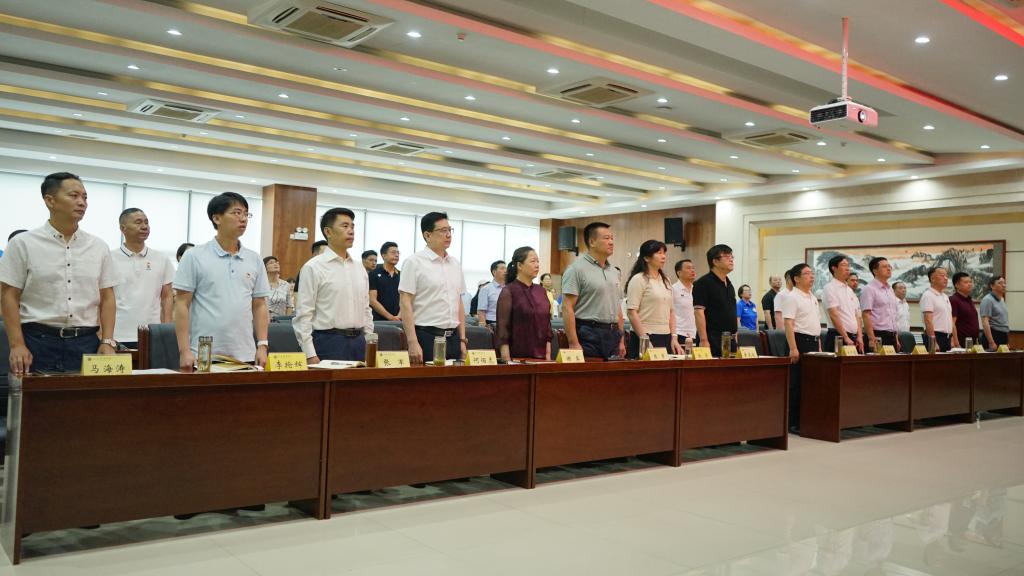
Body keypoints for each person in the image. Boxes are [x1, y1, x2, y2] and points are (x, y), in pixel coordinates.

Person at [0, 172, 119, 374]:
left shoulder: (98, 247)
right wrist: (16, 344)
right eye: (74, 196)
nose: (82, 202)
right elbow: (8, 295)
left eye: (85, 197)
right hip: (37, 341)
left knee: (88, 395)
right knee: (37, 396)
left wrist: (107, 341)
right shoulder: (23, 243)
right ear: (50, 201)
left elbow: (107, 297)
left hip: (86, 342)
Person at [173, 192, 270, 370]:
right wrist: (184, 350)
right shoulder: (194, 256)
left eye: (246, 214)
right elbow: (181, 305)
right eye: (236, 213)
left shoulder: (254, 259)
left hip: (245, 353)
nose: (243, 219)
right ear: (217, 218)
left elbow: (259, 305)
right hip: (204, 353)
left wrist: (262, 345)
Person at [293, 208, 374, 363]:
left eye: (352, 226)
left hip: (359, 342)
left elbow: (366, 309)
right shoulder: (313, 267)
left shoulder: (359, 267)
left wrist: (369, 341)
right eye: (345, 226)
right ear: (328, 232)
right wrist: (310, 354)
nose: (351, 231)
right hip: (328, 341)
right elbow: (304, 314)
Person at [399, 212, 467, 364]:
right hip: (427, 337)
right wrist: (412, 342)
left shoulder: (455, 264)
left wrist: (462, 339)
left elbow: (459, 302)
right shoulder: (414, 262)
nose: (448, 235)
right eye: (443, 230)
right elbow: (405, 302)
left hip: (453, 338)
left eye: (450, 230)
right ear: (427, 235)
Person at [561, 222, 625, 359]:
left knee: (614, 373)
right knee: (591, 372)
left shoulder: (614, 272)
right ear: (592, 242)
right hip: (588, 333)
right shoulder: (576, 269)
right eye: (606, 238)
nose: (611, 242)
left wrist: (621, 340)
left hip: (613, 334)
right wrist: (573, 342)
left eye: (612, 238)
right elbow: (567, 307)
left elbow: (618, 307)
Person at [112, 208, 174, 347]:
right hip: (118, 334)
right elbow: (103, 298)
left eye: (146, 222)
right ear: (123, 228)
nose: (144, 226)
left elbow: (167, 296)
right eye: (138, 222)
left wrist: (167, 330)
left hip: (153, 333)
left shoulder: (161, 258)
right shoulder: (110, 258)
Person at [625, 240, 683, 358]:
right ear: (646, 258)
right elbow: (631, 312)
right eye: (659, 253)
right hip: (645, 335)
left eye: (664, 253)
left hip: (665, 336)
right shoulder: (639, 279)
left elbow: (671, 311)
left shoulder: (666, 280)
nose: (663, 256)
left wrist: (674, 337)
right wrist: (645, 340)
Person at [783, 263, 821, 432]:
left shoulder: (812, 296)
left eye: (812, 273)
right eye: (807, 274)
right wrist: (793, 348)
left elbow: (815, 323)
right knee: (796, 383)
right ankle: (792, 422)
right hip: (798, 341)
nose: (811, 276)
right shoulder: (792, 297)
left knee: (809, 382)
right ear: (796, 278)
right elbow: (788, 323)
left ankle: (805, 419)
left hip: (813, 341)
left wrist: (818, 345)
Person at [496, 246, 551, 361]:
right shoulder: (509, 291)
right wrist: (507, 360)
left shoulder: (541, 291)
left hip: (541, 356)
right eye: (532, 261)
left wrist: (548, 355)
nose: (537, 265)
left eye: (538, 261)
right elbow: (503, 329)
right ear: (520, 265)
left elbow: (547, 326)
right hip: (517, 357)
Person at [692, 244, 737, 357]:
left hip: (730, 339)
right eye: (726, 256)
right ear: (715, 261)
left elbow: (731, 312)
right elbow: (699, 312)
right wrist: (703, 340)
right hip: (711, 339)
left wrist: (735, 336)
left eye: (732, 256)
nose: (731, 259)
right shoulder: (703, 283)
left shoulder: (729, 284)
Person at [822, 254, 863, 353]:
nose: (847, 268)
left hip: (853, 337)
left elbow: (856, 315)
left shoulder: (849, 290)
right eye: (844, 265)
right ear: (834, 268)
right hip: (838, 336)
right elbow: (834, 315)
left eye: (848, 265)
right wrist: (845, 337)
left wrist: (859, 336)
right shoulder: (830, 288)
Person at [860, 257, 900, 351]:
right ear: (875, 271)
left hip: (892, 336)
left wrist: (896, 339)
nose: (889, 269)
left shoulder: (890, 289)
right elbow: (866, 314)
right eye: (884, 267)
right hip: (878, 335)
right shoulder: (869, 289)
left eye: (889, 266)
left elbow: (893, 316)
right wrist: (871, 338)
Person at [920, 266, 956, 352]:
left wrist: (952, 339)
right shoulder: (928, 295)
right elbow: (928, 321)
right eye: (942, 275)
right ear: (932, 279)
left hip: (947, 337)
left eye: (946, 276)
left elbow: (949, 320)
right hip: (935, 337)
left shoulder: (945, 297)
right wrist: (933, 342)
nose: (946, 278)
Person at [369, 241, 401, 321]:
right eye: (393, 252)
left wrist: (399, 316)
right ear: (384, 255)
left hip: (399, 319)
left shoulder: (401, 275)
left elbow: (405, 299)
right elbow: (372, 300)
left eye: (398, 253)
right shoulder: (373, 274)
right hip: (379, 321)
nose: (397, 255)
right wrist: (390, 317)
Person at [672, 259, 697, 345]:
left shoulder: (697, 289)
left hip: (695, 334)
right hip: (679, 334)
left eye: (693, 268)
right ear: (679, 273)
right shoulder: (673, 289)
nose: (692, 270)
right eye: (688, 268)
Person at [949, 272, 979, 346]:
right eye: (966, 282)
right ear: (957, 285)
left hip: (973, 341)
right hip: (961, 341)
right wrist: (956, 342)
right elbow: (952, 323)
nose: (970, 284)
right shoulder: (953, 300)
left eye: (970, 282)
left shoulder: (969, 299)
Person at [980, 275, 1008, 350]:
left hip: (1003, 335)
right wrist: (991, 342)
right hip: (993, 335)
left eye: (1004, 283)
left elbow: (1003, 321)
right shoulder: (987, 300)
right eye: (1000, 283)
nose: (1003, 285)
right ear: (992, 286)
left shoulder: (1002, 299)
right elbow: (985, 322)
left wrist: (1006, 341)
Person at [476, 260, 506, 327]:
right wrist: (484, 329)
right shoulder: (486, 289)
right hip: (491, 323)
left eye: (506, 268)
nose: (505, 271)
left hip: (507, 323)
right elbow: (481, 311)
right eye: (502, 268)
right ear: (494, 272)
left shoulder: (509, 288)